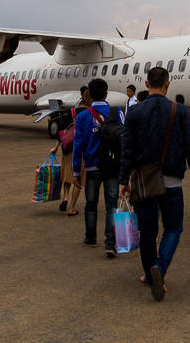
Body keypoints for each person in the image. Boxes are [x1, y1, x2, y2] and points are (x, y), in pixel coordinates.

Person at [119, 67, 190, 302]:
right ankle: (160, 266)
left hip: (144, 181)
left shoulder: (134, 113)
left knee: (147, 232)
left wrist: (122, 180)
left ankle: (150, 276)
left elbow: (126, 151)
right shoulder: (179, 111)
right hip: (171, 182)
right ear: (168, 85)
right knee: (173, 228)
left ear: (147, 83)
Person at [72, 78, 121, 257]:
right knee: (111, 205)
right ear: (106, 93)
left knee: (91, 204)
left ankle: (91, 237)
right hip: (113, 167)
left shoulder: (83, 116)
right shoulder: (117, 113)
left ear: (89, 95)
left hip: (92, 167)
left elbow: (78, 145)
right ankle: (110, 242)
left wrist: (76, 171)